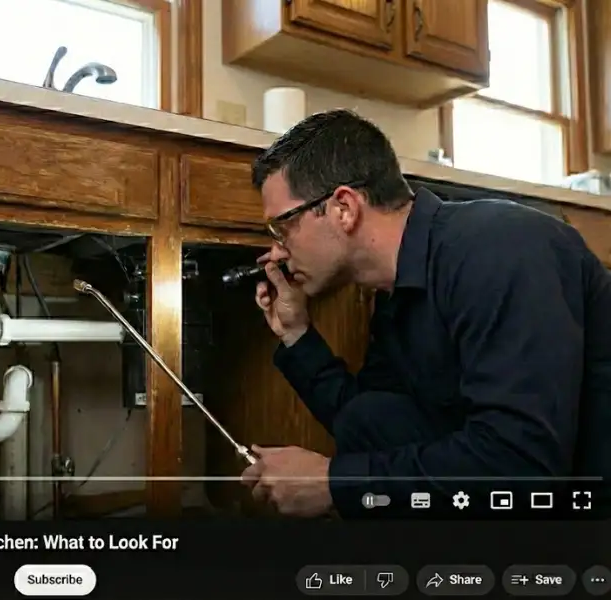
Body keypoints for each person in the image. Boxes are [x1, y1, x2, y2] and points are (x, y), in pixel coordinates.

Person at [240, 109, 611, 518]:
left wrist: (335, 484)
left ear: (343, 207)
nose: (277, 249)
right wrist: (297, 335)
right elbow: (365, 425)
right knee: (371, 416)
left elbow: (521, 465)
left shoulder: (499, 252)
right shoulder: (397, 291)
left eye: (282, 227)